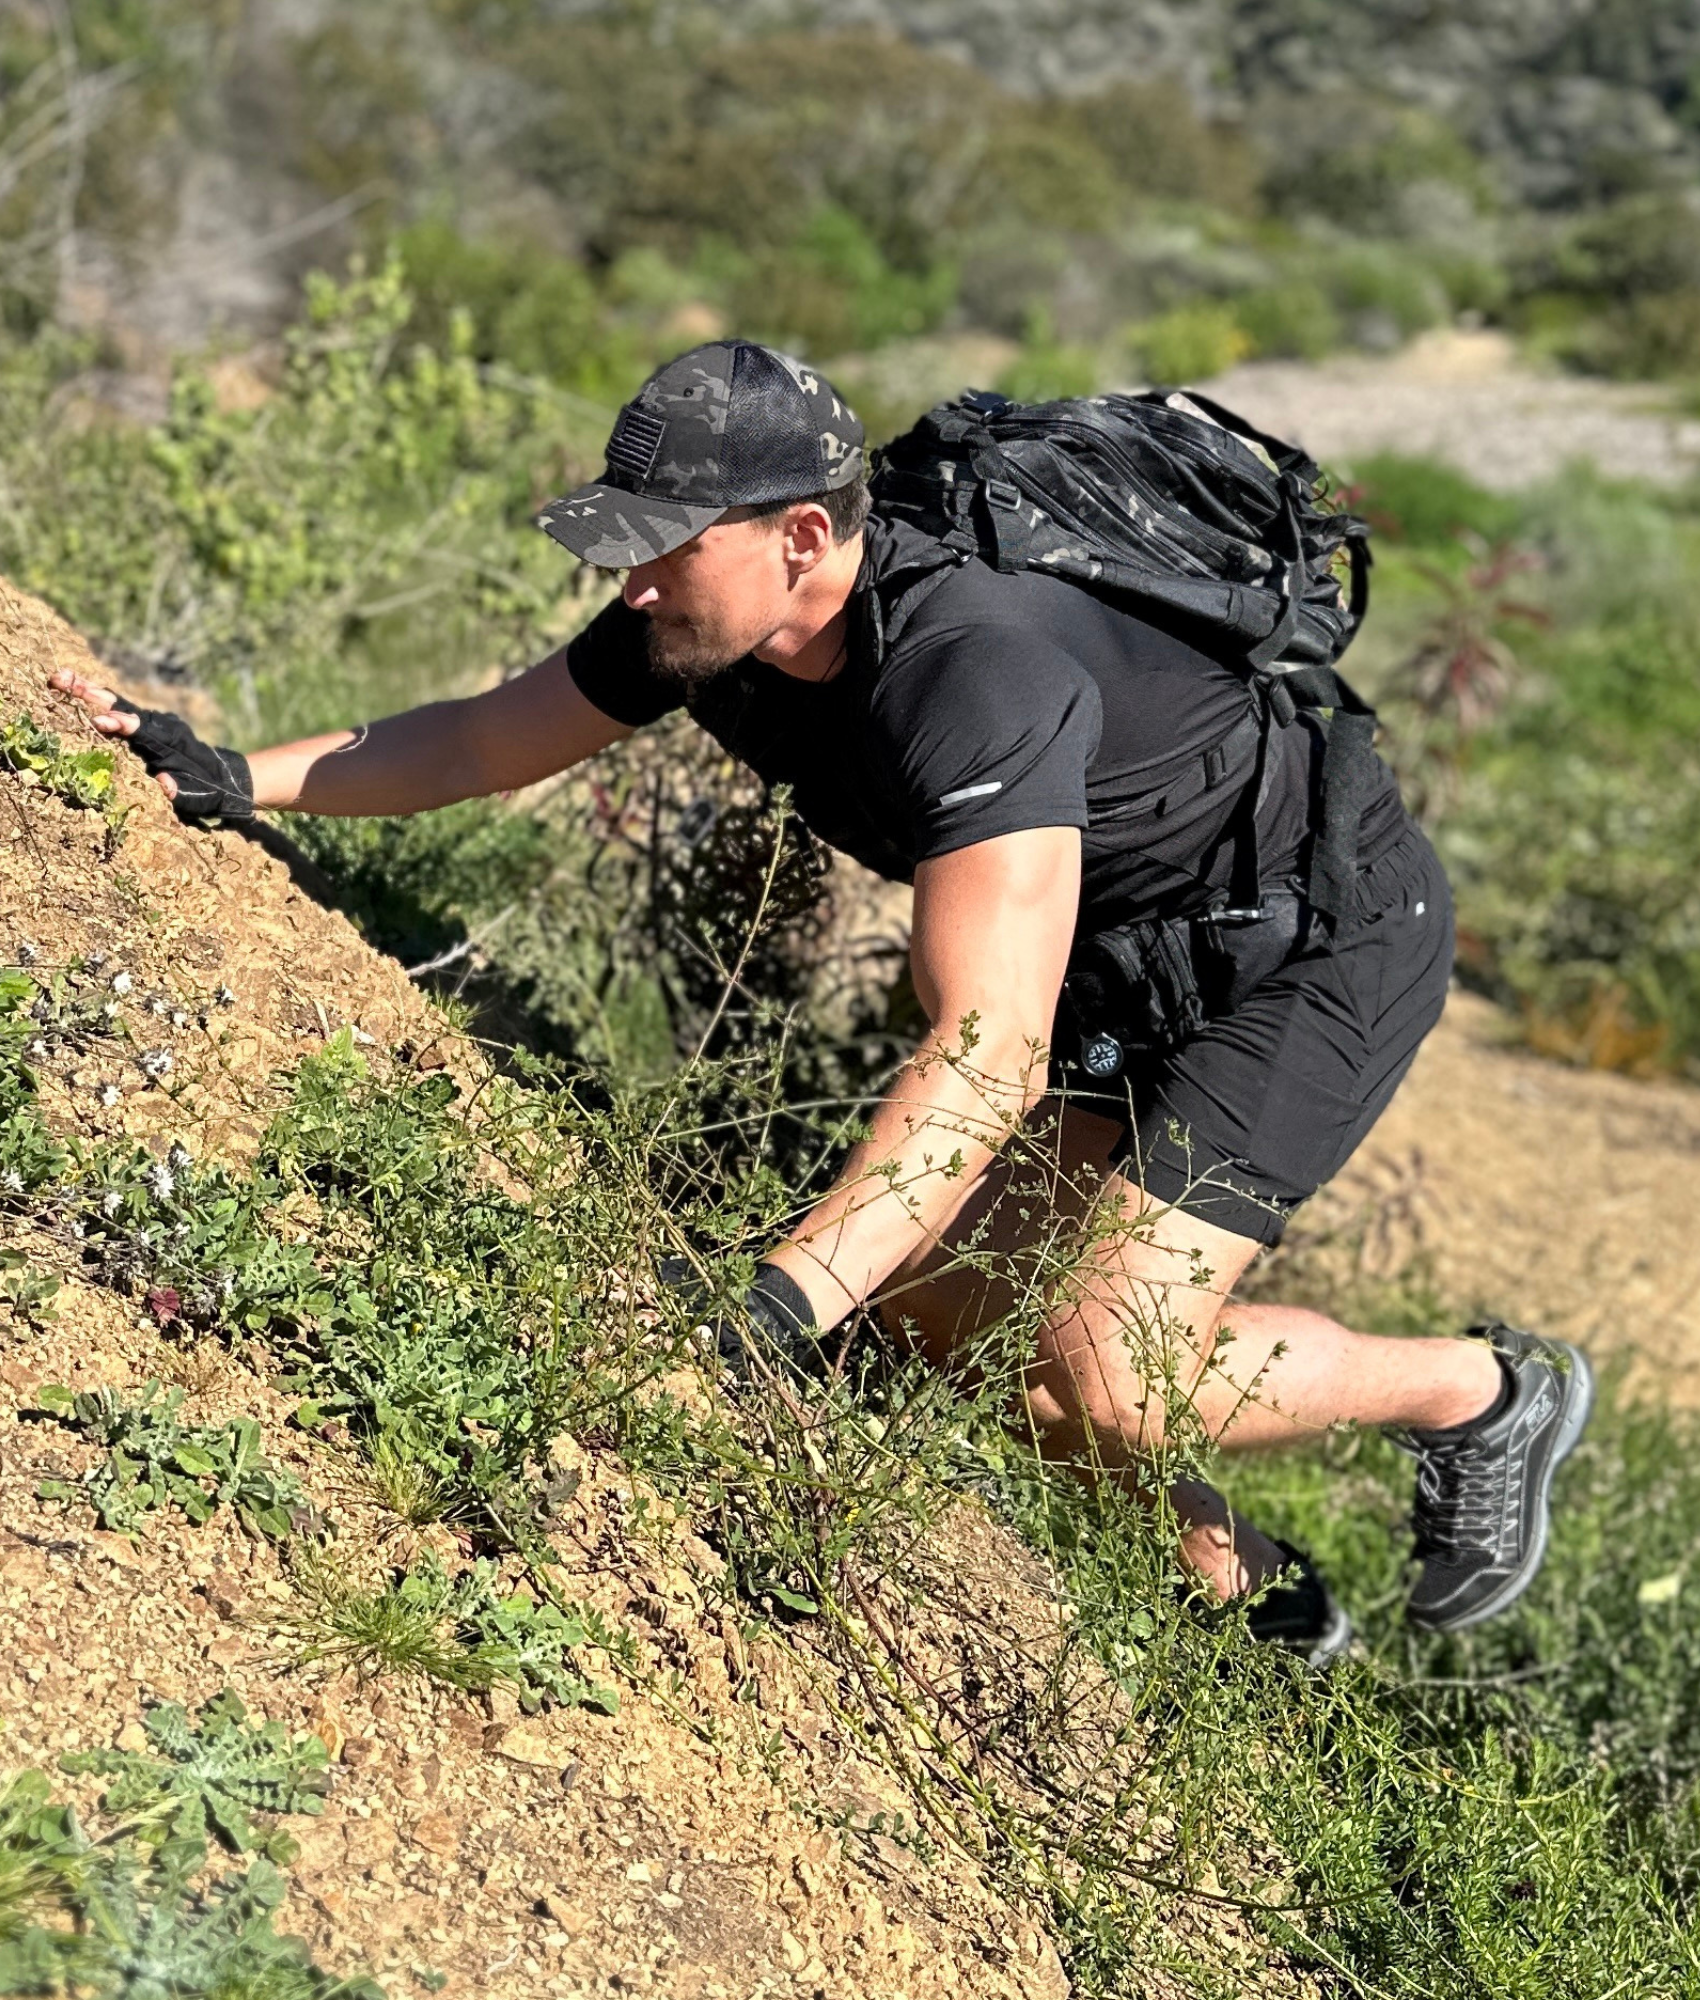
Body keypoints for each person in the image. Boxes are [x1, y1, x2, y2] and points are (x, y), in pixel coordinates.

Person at [52, 339, 1593, 1660]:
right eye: (625, 537)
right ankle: (1249, 1605)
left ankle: (1483, 1391)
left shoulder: (967, 667)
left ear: (800, 534)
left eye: (666, 540)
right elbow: (473, 744)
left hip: (1310, 941)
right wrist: (230, 777)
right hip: (1123, 944)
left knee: (1111, 1362)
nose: (631, 574)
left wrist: (772, 1307)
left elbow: (983, 1051)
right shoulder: (707, 627)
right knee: (943, 1323)